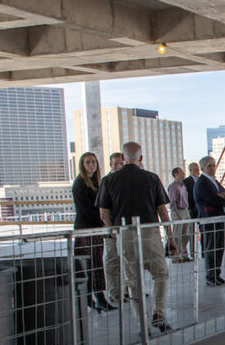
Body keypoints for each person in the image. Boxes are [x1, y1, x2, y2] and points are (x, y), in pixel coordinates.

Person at [95, 141, 173, 333]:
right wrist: (170, 237)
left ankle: (142, 325)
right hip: (149, 233)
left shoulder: (109, 181)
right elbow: (162, 210)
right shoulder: (152, 178)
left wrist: (114, 232)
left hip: (124, 235)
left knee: (133, 282)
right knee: (161, 274)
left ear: (122, 158)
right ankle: (159, 314)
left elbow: (103, 213)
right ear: (141, 158)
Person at [71, 151, 116, 313]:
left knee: (95, 264)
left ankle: (95, 298)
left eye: (94, 162)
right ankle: (94, 298)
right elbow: (87, 210)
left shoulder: (96, 182)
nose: (91, 165)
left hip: (95, 229)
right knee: (90, 265)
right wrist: (103, 223)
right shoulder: (80, 184)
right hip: (87, 229)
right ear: (82, 165)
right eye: (88, 162)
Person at [194, 156, 225, 286]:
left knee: (219, 248)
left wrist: (224, 196)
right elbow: (213, 199)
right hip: (209, 220)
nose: (212, 168)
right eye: (209, 166)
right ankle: (210, 276)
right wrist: (223, 198)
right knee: (211, 249)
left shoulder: (214, 181)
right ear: (203, 168)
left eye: (214, 165)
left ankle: (217, 274)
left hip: (220, 219)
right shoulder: (202, 183)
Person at [101, 152, 125, 305]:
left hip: (126, 229)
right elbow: (104, 211)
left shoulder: (126, 181)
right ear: (110, 164)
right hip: (112, 230)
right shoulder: (106, 181)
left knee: (127, 262)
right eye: (115, 163)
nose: (118, 166)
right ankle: (114, 293)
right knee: (112, 262)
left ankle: (128, 291)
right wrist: (111, 229)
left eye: (121, 163)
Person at [166, 167, 191, 262]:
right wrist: (176, 213)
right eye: (181, 172)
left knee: (186, 234)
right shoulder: (173, 186)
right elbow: (172, 201)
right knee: (177, 234)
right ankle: (176, 256)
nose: (183, 173)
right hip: (177, 211)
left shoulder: (183, 185)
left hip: (185, 210)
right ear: (175, 174)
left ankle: (184, 254)